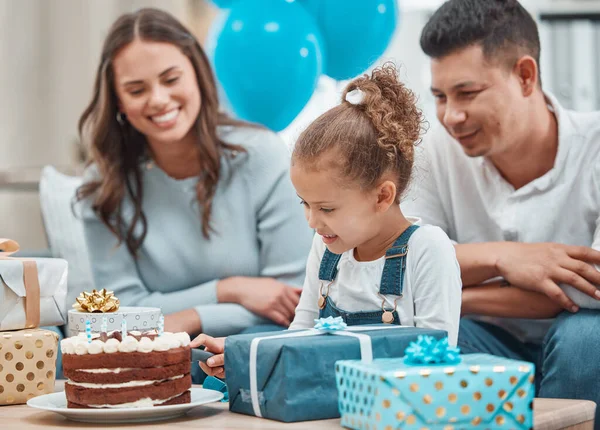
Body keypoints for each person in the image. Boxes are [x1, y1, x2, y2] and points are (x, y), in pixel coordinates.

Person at [192, 63, 463, 378]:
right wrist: (247, 354)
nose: (312, 221)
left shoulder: (429, 250)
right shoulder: (327, 250)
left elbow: (437, 364)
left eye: (327, 208)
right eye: (305, 204)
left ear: (382, 197)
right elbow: (300, 336)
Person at [402, 0, 600, 419]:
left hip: (581, 339)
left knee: (588, 337)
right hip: (488, 338)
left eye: (468, 93)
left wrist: (459, 295)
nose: (451, 116)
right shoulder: (436, 152)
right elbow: (405, 263)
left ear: (525, 76)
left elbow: (592, 288)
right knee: (419, 339)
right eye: (439, 96)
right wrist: (504, 258)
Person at [76, 8, 313, 340]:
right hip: (149, 360)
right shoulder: (102, 187)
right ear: (118, 102)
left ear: (198, 74)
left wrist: (190, 319)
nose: (158, 100)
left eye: (171, 79)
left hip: (255, 350)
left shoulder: (262, 155)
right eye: (136, 90)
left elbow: (291, 301)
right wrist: (227, 290)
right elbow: (119, 312)